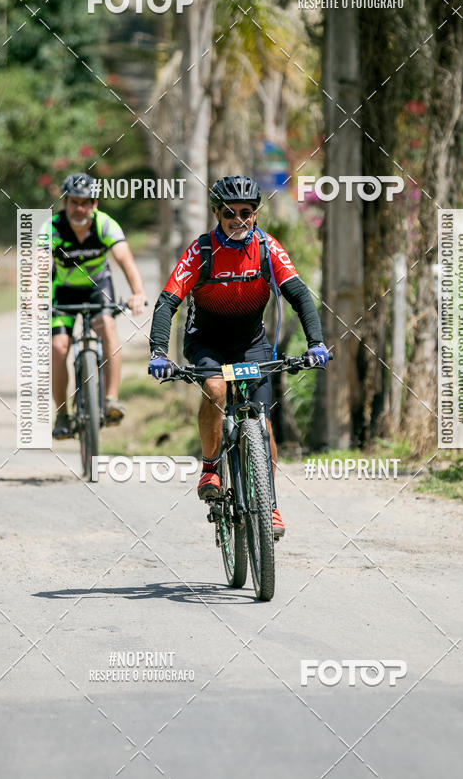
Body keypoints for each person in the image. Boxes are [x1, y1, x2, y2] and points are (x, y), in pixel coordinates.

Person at [149, 175, 329, 538]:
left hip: (252, 343)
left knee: (262, 426)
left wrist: (316, 344)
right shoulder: (201, 252)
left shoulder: (267, 248)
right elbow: (167, 303)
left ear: (256, 213)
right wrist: (158, 351)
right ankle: (211, 465)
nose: (238, 219)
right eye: (229, 213)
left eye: (246, 212)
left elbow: (299, 295)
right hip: (207, 342)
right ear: (217, 213)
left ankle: (270, 505)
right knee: (215, 390)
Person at [47, 173, 146, 439]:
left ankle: (111, 399)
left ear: (95, 204)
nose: (79, 208)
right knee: (59, 347)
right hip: (63, 292)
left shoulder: (105, 225)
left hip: (98, 288)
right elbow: (38, 265)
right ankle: (63, 415)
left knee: (108, 328)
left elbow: (125, 259)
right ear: (65, 203)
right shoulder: (53, 227)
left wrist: (138, 292)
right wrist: (33, 297)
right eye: (74, 202)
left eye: (85, 202)